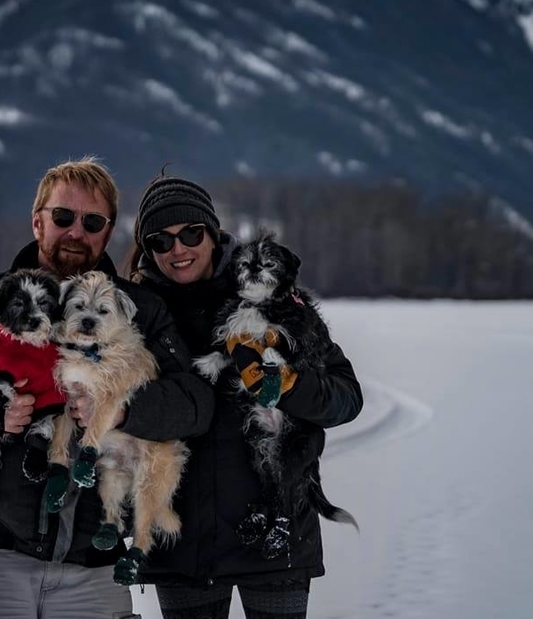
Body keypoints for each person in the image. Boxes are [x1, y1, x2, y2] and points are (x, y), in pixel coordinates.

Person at [0, 157, 214, 618]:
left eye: (93, 221)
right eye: (63, 217)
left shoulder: (137, 309)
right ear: (37, 220)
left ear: (109, 231)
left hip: (95, 565)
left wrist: (120, 409)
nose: (76, 231)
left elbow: (197, 402)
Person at [124, 176, 364, 619]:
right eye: (160, 241)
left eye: (191, 234)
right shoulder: (135, 311)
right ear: (147, 250)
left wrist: (292, 386)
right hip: (182, 546)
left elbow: (346, 398)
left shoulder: (272, 296)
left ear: (213, 234)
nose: (178, 249)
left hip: (277, 536)